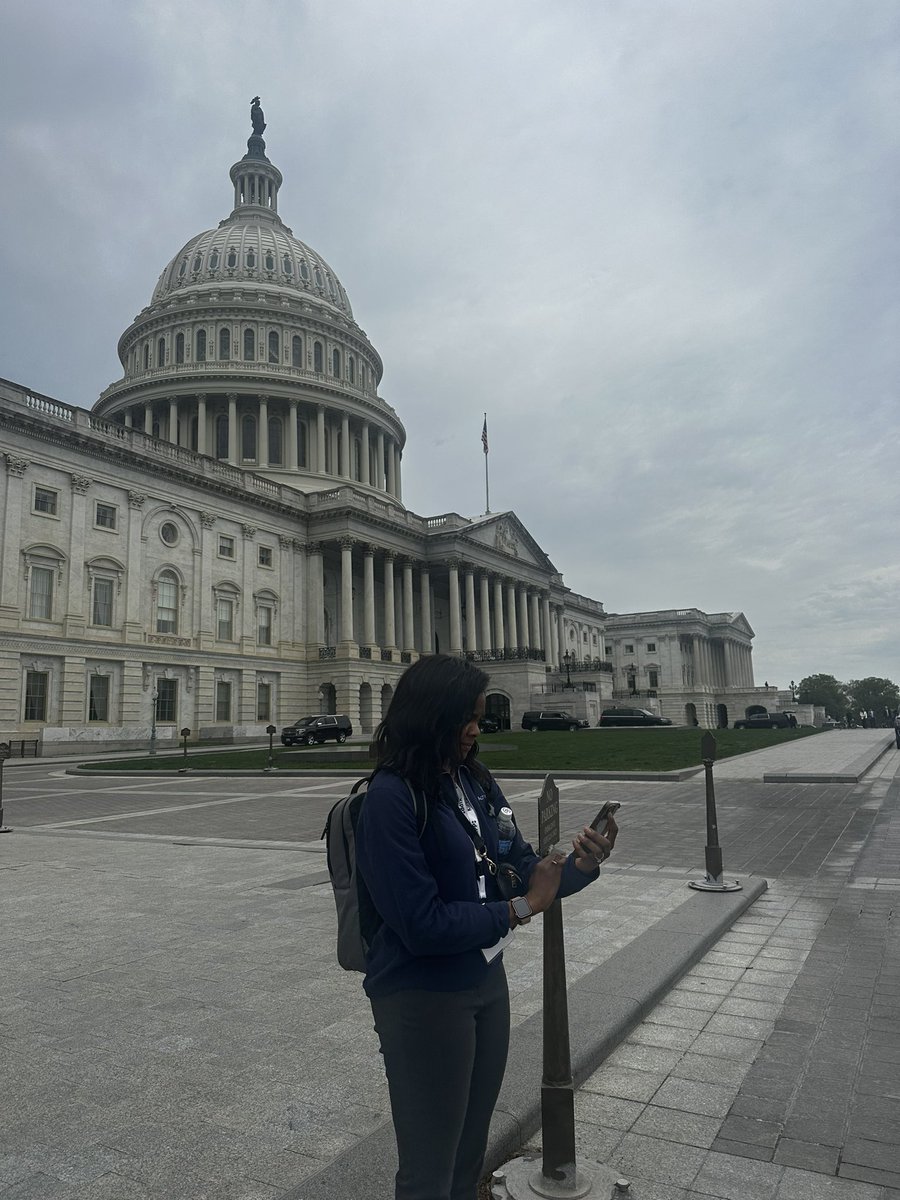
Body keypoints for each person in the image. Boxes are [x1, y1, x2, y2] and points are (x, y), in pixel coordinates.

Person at [356, 655, 616, 1200]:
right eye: (466, 718)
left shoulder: (474, 779)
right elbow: (420, 924)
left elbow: (521, 865)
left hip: (484, 983)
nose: (478, 728)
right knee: (429, 1164)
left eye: (478, 716)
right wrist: (519, 910)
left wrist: (582, 865)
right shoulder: (388, 799)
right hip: (422, 993)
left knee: (469, 1150)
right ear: (431, 717)